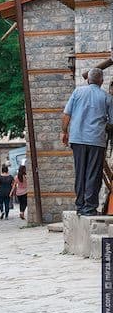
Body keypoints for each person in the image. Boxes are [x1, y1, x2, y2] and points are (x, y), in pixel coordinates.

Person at [62, 67, 113, 216]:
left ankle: (80, 206)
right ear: (101, 82)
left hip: (77, 139)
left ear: (88, 79)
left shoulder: (77, 92)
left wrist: (64, 132)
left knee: (80, 172)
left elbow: (66, 114)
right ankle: (89, 208)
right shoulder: (107, 98)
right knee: (93, 174)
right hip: (96, 140)